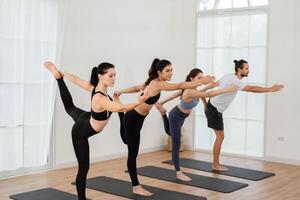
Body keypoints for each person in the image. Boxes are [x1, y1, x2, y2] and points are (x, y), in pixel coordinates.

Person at [44, 61, 148, 200]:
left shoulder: (96, 89)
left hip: (86, 117)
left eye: (115, 75)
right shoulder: (99, 97)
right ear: (100, 76)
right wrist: (139, 102)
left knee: (70, 108)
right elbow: (121, 109)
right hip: (81, 131)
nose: (114, 78)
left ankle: (58, 77)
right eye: (111, 76)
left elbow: (76, 79)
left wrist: (63, 72)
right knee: (84, 168)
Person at [115, 58, 215, 196]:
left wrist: (121, 91)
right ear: (159, 72)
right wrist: (201, 81)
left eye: (171, 70)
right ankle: (136, 186)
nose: (171, 73)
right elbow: (179, 85)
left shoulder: (152, 82)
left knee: (126, 140)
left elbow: (138, 87)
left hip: (138, 118)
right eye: (167, 71)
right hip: (133, 118)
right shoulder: (157, 84)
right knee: (133, 154)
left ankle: (121, 115)